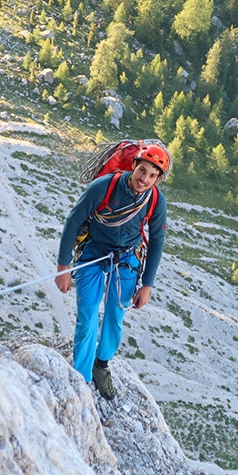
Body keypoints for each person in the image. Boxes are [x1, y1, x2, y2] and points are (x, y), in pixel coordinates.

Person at [55, 141, 171, 400]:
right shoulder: (104, 186)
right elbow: (74, 220)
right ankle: (82, 377)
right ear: (134, 166)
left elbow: (158, 240)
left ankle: (102, 365)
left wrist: (147, 284)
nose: (145, 179)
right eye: (143, 171)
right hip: (94, 252)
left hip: (127, 258)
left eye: (153, 176)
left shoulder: (154, 200)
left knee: (115, 316)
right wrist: (63, 267)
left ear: (158, 179)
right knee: (87, 317)